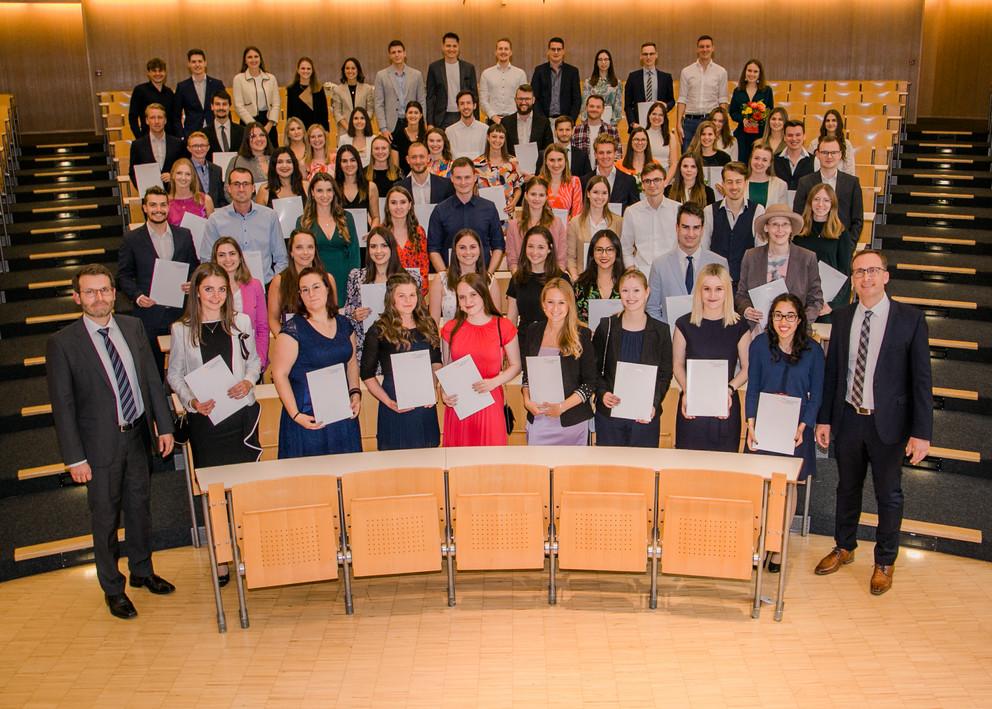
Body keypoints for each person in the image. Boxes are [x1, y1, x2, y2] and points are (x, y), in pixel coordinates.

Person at [47, 265, 176, 620]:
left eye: (104, 290)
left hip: (136, 435)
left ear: (113, 292)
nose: (99, 298)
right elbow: (63, 406)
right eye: (90, 292)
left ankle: (142, 571)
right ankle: (113, 589)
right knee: (105, 519)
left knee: (140, 508)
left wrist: (164, 427)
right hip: (98, 447)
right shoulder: (63, 343)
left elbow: (151, 378)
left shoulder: (132, 327)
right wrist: (75, 459)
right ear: (77, 298)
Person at [814, 249, 933, 595]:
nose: (865, 278)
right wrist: (825, 420)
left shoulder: (909, 319)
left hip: (889, 424)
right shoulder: (841, 317)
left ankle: (885, 561)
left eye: (872, 271)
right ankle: (845, 546)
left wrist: (921, 432)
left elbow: (921, 381)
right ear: (853, 279)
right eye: (859, 272)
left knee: (888, 495)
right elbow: (833, 373)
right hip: (850, 418)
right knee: (846, 489)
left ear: (885, 276)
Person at [166, 263, 262, 531]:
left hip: (239, 417)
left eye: (221, 289)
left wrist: (248, 380)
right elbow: (174, 374)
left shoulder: (240, 321)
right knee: (215, 493)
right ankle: (220, 553)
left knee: (245, 487)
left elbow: (254, 361)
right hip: (206, 421)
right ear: (196, 291)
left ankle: (248, 545)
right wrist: (192, 402)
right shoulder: (181, 329)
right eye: (208, 289)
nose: (215, 296)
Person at [745, 293, 824, 572]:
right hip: (764, 426)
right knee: (762, 487)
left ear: (800, 319)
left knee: (788, 487)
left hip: (795, 430)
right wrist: (750, 422)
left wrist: (805, 425)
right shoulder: (758, 346)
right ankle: (761, 543)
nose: (783, 321)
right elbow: (752, 387)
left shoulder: (814, 351)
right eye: (778, 315)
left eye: (790, 315)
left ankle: (778, 549)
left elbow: (816, 396)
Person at [271, 267, 362, 459]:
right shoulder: (292, 329)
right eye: (304, 290)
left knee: (345, 474)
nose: (311, 294)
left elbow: (352, 361)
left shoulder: (345, 324)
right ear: (300, 295)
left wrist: (355, 392)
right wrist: (295, 414)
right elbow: (279, 374)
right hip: (308, 417)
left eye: (316, 287)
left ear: (327, 289)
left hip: (341, 413)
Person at [117, 186, 199, 371]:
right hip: (149, 314)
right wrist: (137, 296)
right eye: (153, 205)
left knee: (187, 367)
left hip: (182, 313)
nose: (158, 209)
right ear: (144, 207)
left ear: (168, 207)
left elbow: (195, 267)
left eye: (163, 205)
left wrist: (192, 282)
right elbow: (123, 275)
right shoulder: (132, 239)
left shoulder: (184, 235)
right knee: (152, 369)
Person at [672, 263, 750, 451]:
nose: (712, 295)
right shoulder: (684, 324)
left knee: (724, 472)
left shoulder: (739, 326)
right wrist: (687, 390)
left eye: (718, 289)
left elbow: (748, 368)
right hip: (691, 406)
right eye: (706, 289)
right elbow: (677, 364)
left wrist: (729, 390)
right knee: (689, 469)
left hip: (725, 405)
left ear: (727, 291)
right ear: (699, 291)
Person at [361, 272, 443, 450]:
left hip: (424, 404)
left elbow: (436, 361)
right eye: (402, 296)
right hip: (394, 403)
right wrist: (388, 402)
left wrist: (432, 388)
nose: (408, 300)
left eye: (412, 295)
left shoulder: (428, 324)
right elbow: (366, 374)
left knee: (428, 460)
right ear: (391, 299)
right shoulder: (378, 330)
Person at [592, 268, 673, 447]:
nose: (631, 296)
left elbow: (665, 375)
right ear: (619, 293)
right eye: (625, 290)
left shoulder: (661, 331)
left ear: (647, 292)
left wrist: (653, 403)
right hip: (610, 416)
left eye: (636, 290)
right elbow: (594, 369)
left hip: (644, 416)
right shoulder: (606, 327)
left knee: (642, 471)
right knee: (610, 471)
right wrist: (603, 393)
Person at [439, 272, 522, 446]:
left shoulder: (503, 326)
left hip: (490, 400)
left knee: (490, 461)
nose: (467, 301)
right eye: (462, 297)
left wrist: (494, 382)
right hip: (459, 405)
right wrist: (443, 392)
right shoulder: (450, 329)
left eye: (472, 295)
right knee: (458, 464)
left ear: (483, 294)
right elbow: (446, 369)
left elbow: (516, 365)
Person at [520, 279, 597, 445]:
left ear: (570, 304)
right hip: (539, 419)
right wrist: (527, 401)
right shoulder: (533, 331)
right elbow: (528, 375)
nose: (555, 309)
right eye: (550, 302)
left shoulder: (582, 334)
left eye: (561, 302)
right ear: (543, 304)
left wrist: (561, 407)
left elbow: (590, 383)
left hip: (572, 422)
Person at [736, 203, 824, 329]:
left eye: (785, 224)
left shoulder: (807, 258)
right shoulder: (751, 256)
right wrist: (746, 309)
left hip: (795, 333)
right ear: (766, 227)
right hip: (758, 330)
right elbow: (741, 295)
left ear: (791, 228)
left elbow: (816, 300)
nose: (780, 230)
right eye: (775, 224)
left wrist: (799, 322)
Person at [343, 224, 422, 361]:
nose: (378, 251)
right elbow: (348, 311)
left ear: (392, 248)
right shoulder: (356, 277)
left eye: (384, 245)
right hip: (368, 345)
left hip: (402, 343)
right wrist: (355, 314)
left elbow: (420, 312)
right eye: (373, 246)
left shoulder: (411, 277)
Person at [202, 167, 287, 286]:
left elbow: (282, 259)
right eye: (236, 184)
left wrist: (273, 284)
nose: (241, 189)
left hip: (265, 287)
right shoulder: (215, 220)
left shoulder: (270, 216)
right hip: (228, 288)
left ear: (253, 188)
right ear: (228, 188)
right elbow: (207, 260)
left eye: (245, 184)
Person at [646, 202, 728, 323]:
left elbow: (726, 306)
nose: (690, 234)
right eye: (685, 227)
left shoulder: (719, 263)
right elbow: (652, 308)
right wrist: (666, 335)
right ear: (677, 228)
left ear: (702, 229)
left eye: (696, 228)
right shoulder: (659, 265)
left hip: (709, 337)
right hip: (670, 337)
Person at [428, 157, 505, 272]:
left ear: (475, 178)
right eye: (458, 178)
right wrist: (445, 277)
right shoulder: (440, 210)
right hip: (451, 277)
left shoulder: (489, 208)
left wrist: (489, 275)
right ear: (452, 179)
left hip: (482, 277)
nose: (463, 182)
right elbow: (433, 249)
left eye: (467, 177)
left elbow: (498, 246)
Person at [794, 183, 856, 317]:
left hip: (828, 303)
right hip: (802, 300)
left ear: (832, 204)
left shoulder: (841, 233)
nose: (820, 204)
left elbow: (845, 272)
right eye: (816, 199)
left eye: (826, 200)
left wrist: (832, 305)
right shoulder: (799, 231)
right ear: (810, 202)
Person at [298, 172, 359, 307]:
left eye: (329, 190)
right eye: (320, 190)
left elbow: (354, 252)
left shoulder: (347, 218)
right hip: (317, 279)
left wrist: (354, 284)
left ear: (334, 193)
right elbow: (299, 257)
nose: (325, 196)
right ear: (312, 193)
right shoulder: (303, 222)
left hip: (345, 278)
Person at [211, 236, 270, 370]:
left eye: (232, 254)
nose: (228, 259)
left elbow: (262, 326)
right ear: (215, 259)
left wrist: (259, 359)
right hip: (220, 356)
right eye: (221, 255)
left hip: (250, 355)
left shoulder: (254, 285)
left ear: (240, 257)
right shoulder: (208, 288)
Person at [703, 161, 763, 286]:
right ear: (723, 184)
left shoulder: (758, 210)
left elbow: (760, 251)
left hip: (746, 284)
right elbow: (704, 249)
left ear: (746, 183)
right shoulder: (709, 211)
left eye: (738, 181)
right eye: (729, 182)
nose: (734, 187)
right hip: (716, 283)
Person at [793, 136, 864, 241]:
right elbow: (798, 215)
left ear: (840, 155)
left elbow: (857, 220)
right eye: (825, 152)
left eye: (834, 152)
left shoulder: (852, 183)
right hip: (811, 242)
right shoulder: (805, 182)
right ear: (817, 154)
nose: (829, 156)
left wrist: (849, 246)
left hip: (841, 242)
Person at [429, 228, 502, 325]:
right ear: (455, 250)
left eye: (473, 247)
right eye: (462, 247)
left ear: (480, 249)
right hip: (450, 339)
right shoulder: (440, 280)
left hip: (482, 339)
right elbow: (433, 324)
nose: (468, 252)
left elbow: (497, 323)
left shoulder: (490, 281)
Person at [620, 162, 679, 275]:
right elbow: (625, 248)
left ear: (665, 181)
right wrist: (632, 270)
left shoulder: (678, 209)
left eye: (657, 180)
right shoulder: (632, 212)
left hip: (672, 272)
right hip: (642, 273)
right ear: (642, 185)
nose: (652, 185)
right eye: (647, 181)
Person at [506, 225, 570, 330]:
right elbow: (511, 319)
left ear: (550, 249)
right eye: (530, 246)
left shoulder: (562, 278)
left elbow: (569, 316)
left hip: (554, 339)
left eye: (540, 247)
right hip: (525, 340)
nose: (535, 252)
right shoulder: (517, 278)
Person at [267, 228, 325, 335]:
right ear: (291, 252)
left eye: (310, 247)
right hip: (291, 345)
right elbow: (273, 320)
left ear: (315, 250)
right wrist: (285, 341)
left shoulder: (327, 279)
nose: (305, 252)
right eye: (299, 247)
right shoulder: (279, 281)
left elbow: (332, 315)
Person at [676, 35, 729, 152]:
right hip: (690, 122)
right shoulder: (686, 71)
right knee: (688, 157)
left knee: (709, 156)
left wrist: (722, 124)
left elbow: (723, 100)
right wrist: (679, 124)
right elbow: (682, 99)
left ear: (713, 48)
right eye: (701, 47)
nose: (705, 49)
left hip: (710, 121)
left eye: (707, 46)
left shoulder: (721, 72)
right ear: (697, 49)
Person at [567, 177, 623, 279]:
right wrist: (576, 278)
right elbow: (570, 257)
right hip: (583, 278)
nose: (600, 197)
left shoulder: (619, 222)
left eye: (604, 193)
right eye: (596, 192)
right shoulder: (575, 223)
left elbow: (621, 254)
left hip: (611, 280)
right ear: (588, 193)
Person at [505, 176, 566, 270]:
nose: (537, 199)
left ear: (546, 197)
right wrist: (520, 282)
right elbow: (513, 261)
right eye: (533, 194)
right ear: (526, 195)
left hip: (550, 280)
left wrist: (554, 282)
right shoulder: (514, 226)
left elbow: (561, 260)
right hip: (523, 279)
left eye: (541, 195)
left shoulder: (557, 223)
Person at [374, 40, 426, 140]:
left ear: (404, 53)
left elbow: (422, 101)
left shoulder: (416, 75)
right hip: (391, 125)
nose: (397, 55)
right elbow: (378, 104)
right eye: (393, 52)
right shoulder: (381, 76)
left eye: (399, 51)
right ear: (389, 55)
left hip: (413, 123)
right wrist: (383, 128)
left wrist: (423, 123)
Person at [426, 32, 479, 129]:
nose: (451, 49)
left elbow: (474, 96)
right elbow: (430, 97)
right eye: (448, 46)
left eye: (454, 46)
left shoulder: (468, 68)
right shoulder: (434, 68)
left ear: (458, 47)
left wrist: (476, 120)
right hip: (441, 117)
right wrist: (430, 123)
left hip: (463, 114)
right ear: (443, 47)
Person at [382, 185, 430, 290]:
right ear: (387, 206)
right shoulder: (381, 233)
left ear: (409, 205)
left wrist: (419, 292)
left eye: (403, 202)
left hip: (414, 291)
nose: (398, 207)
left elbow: (424, 266)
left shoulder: (419, 232)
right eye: (393, 203)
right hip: (387, 290)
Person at [573, 228, 624, 324]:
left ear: (617, 252)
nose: (604, 255)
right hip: (588, 337)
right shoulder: (580, 285)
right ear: (592, 253)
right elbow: (573, 318)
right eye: (599, 249)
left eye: (609, 249)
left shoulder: (627, 284)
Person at [232, 46, 280, 146]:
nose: (253, 59)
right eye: (249, 57)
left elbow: (276, 104)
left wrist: (270, 124)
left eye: (256, 56)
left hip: (268, 122)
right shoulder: (239, 79)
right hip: (248, 122)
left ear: (260, 59)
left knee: (271, 154)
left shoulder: (271, 78)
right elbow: (238, 106)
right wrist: (253, 125)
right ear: (245, 61)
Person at [729, 59, 774, 163]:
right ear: (745, 72)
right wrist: (743, 119)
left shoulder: (767, 91)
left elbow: (770, 111)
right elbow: (733, 112)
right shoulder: (738, 91)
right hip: (742, 136)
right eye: (749, 70)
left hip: (760, 135)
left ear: (760, 74)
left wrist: (759, 118)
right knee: (742, 163)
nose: (752, 74)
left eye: (755, 71)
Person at [128, 104, 184, 188]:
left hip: (174, 193)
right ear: (147, 120)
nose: (156, 121)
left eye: (160, 117)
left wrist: (174, 177)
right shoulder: (137, 145)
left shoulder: (178, 143)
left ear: (165, 120)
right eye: (152, 118)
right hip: (149, 196)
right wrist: (143, 189)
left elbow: (184, 167)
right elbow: (133, 172)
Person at [473, 123, 522, 219]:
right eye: (494, 136)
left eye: (501, 137)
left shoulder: (513, 162)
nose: (497, 140)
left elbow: (518, 187)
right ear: (488, 137)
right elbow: (473, 189)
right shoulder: (477, 163)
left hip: (507, 212)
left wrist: (514, 202)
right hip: (483, 213)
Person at [580, 134, 639, 211]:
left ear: (615, 154)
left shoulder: (629, 181)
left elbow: (635, 211)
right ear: (595, 155)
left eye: (609, 152)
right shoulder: (584, 181)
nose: (605, 156)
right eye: (601, 153)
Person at [174, 49, 224, 137]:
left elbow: (225, 109)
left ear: (205, 63)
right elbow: (176, 115)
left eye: (200, 61)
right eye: (193, 62)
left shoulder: (217, 84)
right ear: (188, 64)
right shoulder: (182, 87)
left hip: (215, 132)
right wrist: (181, 135)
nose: (197, 65)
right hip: (192, 134)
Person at [624, 42, 676, 127]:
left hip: (660, 124)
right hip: (638, 125)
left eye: (651, 54)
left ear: (656, 55)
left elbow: (672, 101)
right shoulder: (632, 77)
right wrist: (632, 123)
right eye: (645, 54)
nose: (648, 57)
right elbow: (628, 105)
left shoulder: (666, 78)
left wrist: (666, 105)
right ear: (641, 56)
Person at [531, 37, 581, 121]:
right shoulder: (539, 70)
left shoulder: (572, 72)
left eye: (559, 49)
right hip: (544, 120)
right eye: (553, 49)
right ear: (548, 51)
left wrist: (570, 120)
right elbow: (534, 97)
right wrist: (541, 119)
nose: (556, 52)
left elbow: (577, 99)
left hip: (566, 121)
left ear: (563, 52)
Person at [479, 38, 527, 124]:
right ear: (496, 52)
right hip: (492, 121)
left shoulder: (520, 74)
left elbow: (524, 99)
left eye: (506, 49)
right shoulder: (486, 74)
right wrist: (494, 117)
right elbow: (483, 101)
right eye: (500, 49)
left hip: (515, 121)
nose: (503, 51)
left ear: (510, 52)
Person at [501, 84, 554, 162]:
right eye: (520, 99)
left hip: (536, 168)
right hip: (511, 166)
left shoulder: (544, 122)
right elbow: (502, 148)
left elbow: (548, 148)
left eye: (527, 99)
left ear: (533, 100)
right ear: (515, 100)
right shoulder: (506, 122)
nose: (523, 102)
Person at [335, 143, 381, 230]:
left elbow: (376, 217)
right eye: (344, 161)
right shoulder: (333, 187)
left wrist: (371, 232)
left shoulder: (371, 187)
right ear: (339, 164)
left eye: (352, 160)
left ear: (358, 162)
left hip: (363, 237)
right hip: (339, 238)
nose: (349, 164)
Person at [129, 57, 178, 138]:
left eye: (160, 71)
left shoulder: (169, 92)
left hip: (168, 137)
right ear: (148, 73)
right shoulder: (140, 90)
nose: (158, 74)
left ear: (165, 73)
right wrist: (139, 137)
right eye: (154, 71)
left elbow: (173, 117)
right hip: (147, 136)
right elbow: (133, 117)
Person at [572, 95, 621, 165]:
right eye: (591, 106)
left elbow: (618, 157)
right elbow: (573, 157)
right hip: (582, 175)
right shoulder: (576, 130)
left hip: (605, 174)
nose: (594, 109)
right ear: (586, 107)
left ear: (603, 109)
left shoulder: (612, 131)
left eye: (598, 107)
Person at [331, 58, 375, 135]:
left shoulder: (367, 89)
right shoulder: (337, 90)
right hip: (345, 131)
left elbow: (370, 111)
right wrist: (349, 129)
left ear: (358, 70)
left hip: (364, 131)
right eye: (347, 68)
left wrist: (360, 126)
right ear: (344, 71)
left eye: (353, 68)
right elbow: (337, 113)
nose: (350, 71)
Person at [580, 49, 623, 126]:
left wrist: (612, 124)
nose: (603, 62)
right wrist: (586, 122)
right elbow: (584, 106)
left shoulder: (617, 83)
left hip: (610, 122)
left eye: (606, 59)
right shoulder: (588, 82)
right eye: (600, 60)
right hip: (591, 121)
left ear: (610, 62)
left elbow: (618, 107)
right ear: (596, 62)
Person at [286, 56, 329, 132]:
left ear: (312, 71)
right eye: (303, 68)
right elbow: (290, 114)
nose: (306, 71)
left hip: (316, 132)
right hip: (299, 132)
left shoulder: (319, 88)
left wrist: (325, 132)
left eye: (308, 68)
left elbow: (324, 114)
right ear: (298, 70)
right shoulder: (291, 89)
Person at [167, 158, 214, 227]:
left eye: (188, 174)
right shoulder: (166, 202)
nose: (183, 178)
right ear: (172, 175)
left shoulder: (205, 200)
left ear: (192, 177)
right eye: (179, 173)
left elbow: (213, 230)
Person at [541, 144, 583, 221]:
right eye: (552, 160)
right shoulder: (539, 182)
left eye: (559, 159)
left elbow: (577, 214)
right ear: (546, 162)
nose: (556, 164)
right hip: (542, 229)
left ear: (565, 161)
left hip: (567, 230)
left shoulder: (574, 182)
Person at [775, 120, 815, 198]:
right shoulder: (774, 160)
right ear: (784, 137)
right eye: (790, 135)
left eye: (798, 135)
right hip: (780, 207)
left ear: (804, 136)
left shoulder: (815, 161)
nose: (794, 139)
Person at [810, 109, 857, 175]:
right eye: (827, 121)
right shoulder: (814, 143)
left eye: (834, 120)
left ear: (839, 123)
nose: (830, 123)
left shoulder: (846, 144)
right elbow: (809, 167)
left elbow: (850, 170)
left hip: (841, 182)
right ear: (824, 123)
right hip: (818, 182)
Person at [186, 130, 225, 209]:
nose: (199, 149)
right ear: (189, 148)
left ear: (208, 147)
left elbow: (221, 198)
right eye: (195, 146)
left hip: (215, 215)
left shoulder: (217, 170)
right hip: (193, 214)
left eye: (203, 145)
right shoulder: (184, 169)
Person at [445, 91, 488, 159]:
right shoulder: (449, 131)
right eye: (462, 104)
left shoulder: (485, 129)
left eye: (468, 103)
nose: (465, 107)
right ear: (458, 107)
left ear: (474, 106)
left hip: (480, 169)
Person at [390, 101, 428, 175]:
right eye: (410, 112)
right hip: (404, 176)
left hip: (424, 174)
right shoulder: (398, 134)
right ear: (406, 115)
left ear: (421, 115)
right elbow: (395, 166)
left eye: (416, 113)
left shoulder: (426, 135)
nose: (413, 115)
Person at [746, 142, 789, 207]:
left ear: (770, 163)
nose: (759, 163)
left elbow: (782, 213)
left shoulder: (780, 185)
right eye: (756, 158)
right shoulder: (740, 182)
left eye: (764, 160)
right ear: (751, 159)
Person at [644, 101, 678, 176]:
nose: (657, 117)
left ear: (664, 118)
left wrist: (665, 183)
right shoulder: (643, 135)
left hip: (666, 176)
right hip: (647, 176)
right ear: (649, 116)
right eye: (654, 114)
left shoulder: (670, 137)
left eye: (660, 115)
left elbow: (674, 164)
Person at [206, 90, 244, 156]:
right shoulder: (204, 133)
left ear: (229, 107)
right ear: (212, 106)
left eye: (224, 104)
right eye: (217, 104)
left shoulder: (243, 131)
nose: (221, 108)